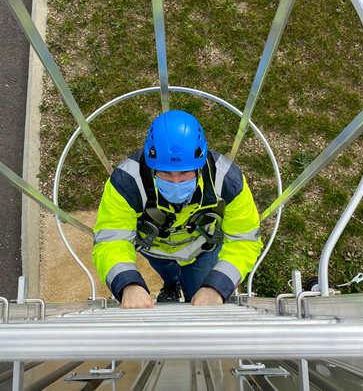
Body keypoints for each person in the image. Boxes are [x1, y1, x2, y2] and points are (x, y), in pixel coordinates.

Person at [92, 110, 263, 308]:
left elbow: (245, 239)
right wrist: (128, 284)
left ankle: (183, 284)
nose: (176, 182)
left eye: (184, 172)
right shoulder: (126, 183)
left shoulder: (227, 181)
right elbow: (112, 239)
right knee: (167, 273)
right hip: (155, 250)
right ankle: (171, 284)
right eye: (165, 172)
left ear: (200, 167)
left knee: (200, 295)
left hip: (201, 250)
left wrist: (217, 286)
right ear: (151, 165)